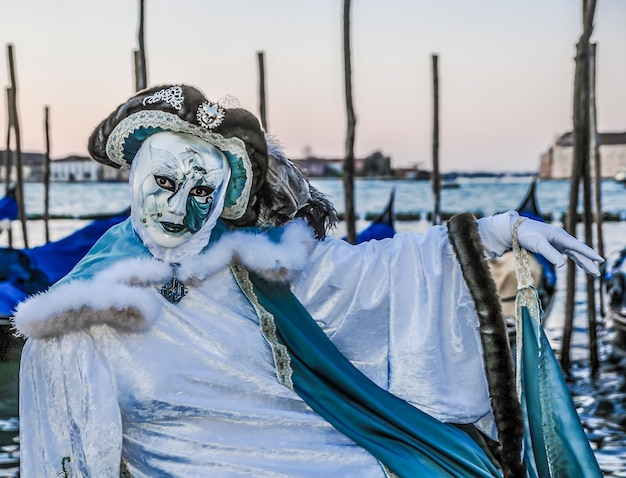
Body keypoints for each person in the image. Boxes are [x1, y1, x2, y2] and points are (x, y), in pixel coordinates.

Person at [13, 84, 604, 478]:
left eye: (202, 193)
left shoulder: (256, 268)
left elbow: (375, 275)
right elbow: (73, 450)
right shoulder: (81, 307)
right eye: (164, 181)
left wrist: (503, 229)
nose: (177, 208)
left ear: (223, 200)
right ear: (137, 171)